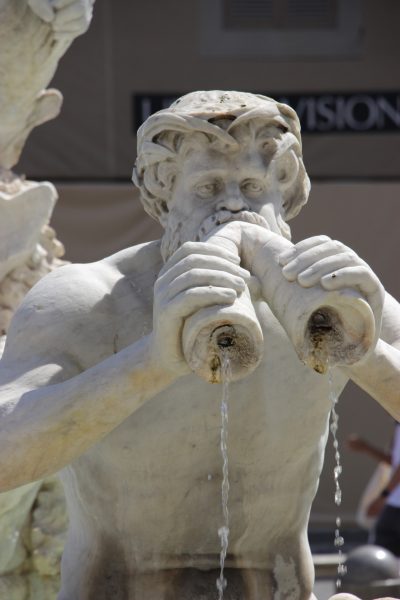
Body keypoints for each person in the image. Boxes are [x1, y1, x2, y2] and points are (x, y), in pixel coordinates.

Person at [0, 90, 399, 600]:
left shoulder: (333, 297)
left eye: (252, 187)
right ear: (165, 197)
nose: (232, 206)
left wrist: (364, 349)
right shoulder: (90, 300)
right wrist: (151, 362)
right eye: (207, 188)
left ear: (284, 193)